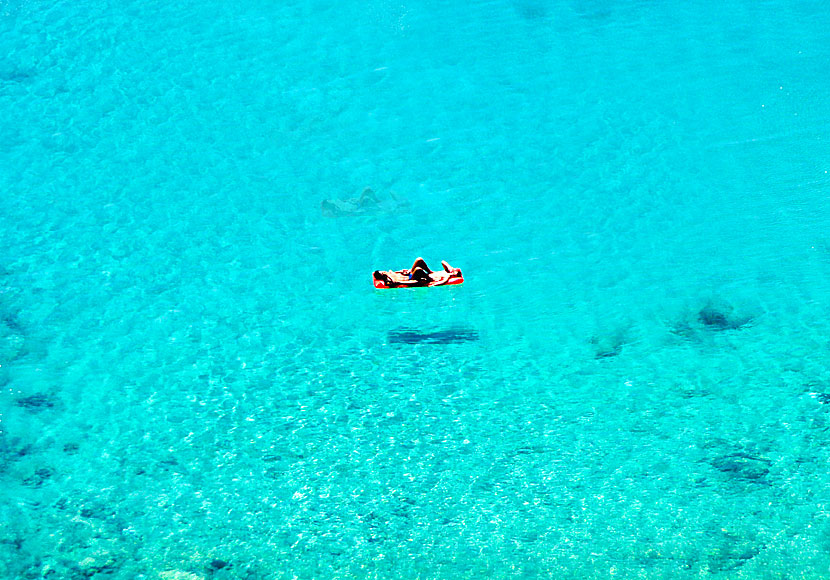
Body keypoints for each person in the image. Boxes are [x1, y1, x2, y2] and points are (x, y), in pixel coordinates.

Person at [374, 258, 462, 287]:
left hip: (411, 277)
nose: (384, 271)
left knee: (419, 265)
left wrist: (404, 272)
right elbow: (443, 262)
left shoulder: (447, 275)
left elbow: (443, 263)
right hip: (410, 277)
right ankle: (429, 274)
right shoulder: (447, 274)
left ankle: (429, 274)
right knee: (419, 264)